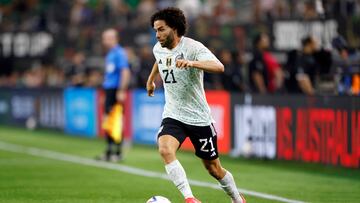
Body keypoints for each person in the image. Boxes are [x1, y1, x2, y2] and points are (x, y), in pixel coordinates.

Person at [146, 7, 246, 203]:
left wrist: (192, 63)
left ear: (174, 28)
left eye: (161, 29)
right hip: (173, 114)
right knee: (165, 149)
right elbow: (159, 60)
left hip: (198, 118)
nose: (157, 35)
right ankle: (190, 199)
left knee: (213, 169)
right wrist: (151, 79)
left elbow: (219, 66)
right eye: (155, 30)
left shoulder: (192, 47)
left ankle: (237, 199)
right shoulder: (158, 48)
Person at [98, 28, 130, 162]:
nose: (104, 41)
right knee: (108, 121)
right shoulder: (110, 54)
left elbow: (125, 72)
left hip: (115, 90)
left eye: (107, 38)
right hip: (109, 90)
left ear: (114, 38)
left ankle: (117, 152)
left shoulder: (119, 53)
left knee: (115, 121)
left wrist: (121, 90)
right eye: (104, 38)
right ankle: (109, 151)